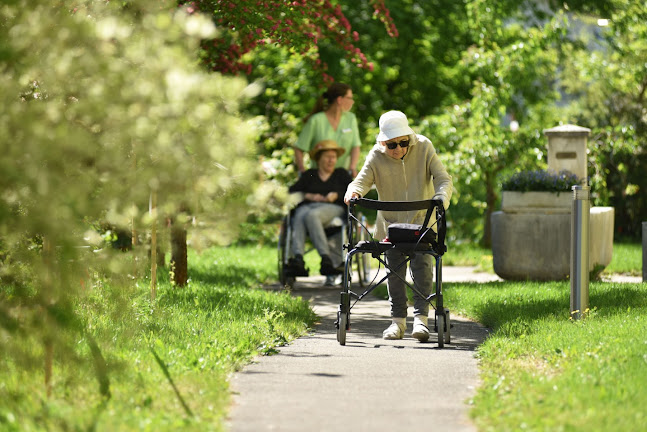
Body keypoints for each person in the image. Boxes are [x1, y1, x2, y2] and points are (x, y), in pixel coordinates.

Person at [344, 110, 453, 342]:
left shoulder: (424, 147)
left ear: (409, 138)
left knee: (423, 268)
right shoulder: (376, 156)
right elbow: (361, 181)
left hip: (421, 223)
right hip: (390, 227)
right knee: (394, 272)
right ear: (383, 142)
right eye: (392, 145)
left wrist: (441, 197)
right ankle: (397, 323)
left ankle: (421, 321)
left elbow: (443, 178)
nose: (398, 149)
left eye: (403, 143)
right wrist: (353, 192)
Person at [287, 140, 353, 277]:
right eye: (327, 157)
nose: (331, 160)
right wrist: (308, 195)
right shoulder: (309, 175)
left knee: (311, 215)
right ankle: (298, 259)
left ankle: (325, 258)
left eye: (333, 157)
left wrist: (337, 195)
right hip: (308, 207)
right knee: (300, 214)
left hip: (333, 209)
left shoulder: (341, 174)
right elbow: (290, 192)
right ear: (318, 159)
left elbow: (354, 191)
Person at [294, 82, 361, 177]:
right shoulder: (316, 120)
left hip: (341, 178)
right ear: (339, 99)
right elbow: (299, 147)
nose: (352, 102)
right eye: (349, 98)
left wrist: (352, 167)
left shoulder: (351, 119)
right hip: (318, 179)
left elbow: (355, 146)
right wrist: (302, 170)